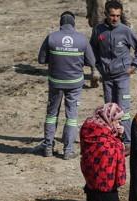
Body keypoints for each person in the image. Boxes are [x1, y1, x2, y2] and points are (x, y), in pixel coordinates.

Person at [38, 11, 95, 159]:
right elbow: (91, 62)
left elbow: (41, 60)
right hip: (74, 83)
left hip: (55, 82)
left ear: (61, 23)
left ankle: (48, 147)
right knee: (72, 116)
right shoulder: (81, 39)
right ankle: (68, 150)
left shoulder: (51, 37)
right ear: (74, 23)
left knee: (51, 114)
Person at [90, 0, 137, 148]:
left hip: (122, 77)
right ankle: (113, 140)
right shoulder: (98, 30)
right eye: (112, 15)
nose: (115, 19)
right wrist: (97, 66)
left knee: (124, 110)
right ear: (106, 14)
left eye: (118, 16)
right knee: (109, 110)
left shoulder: (125, 30)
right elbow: (92, 49)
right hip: (107, 77)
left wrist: (134, 66)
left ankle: (127, 143)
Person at [80, 103, 126, 201]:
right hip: (105, 178)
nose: (118, 123)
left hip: (91, 176)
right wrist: (119, 139)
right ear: (108, 118)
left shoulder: (91, 127)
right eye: (117, 120)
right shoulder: (100, 134)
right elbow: (112, 151)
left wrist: (117, 134)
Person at [85, 0, 131, 88]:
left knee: (96, 44)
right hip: (116, 16)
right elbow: (124, 3)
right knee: (118, 43)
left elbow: (89, 2)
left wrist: (90, 14)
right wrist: (127, 21)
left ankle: (95, 70)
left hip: (99, 12)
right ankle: (118, 70)